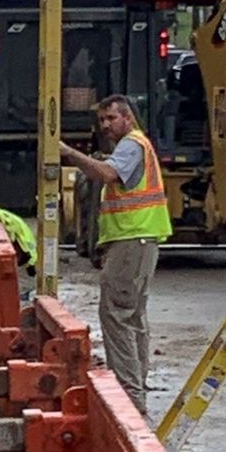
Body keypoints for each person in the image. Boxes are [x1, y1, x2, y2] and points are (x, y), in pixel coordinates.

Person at [57, 93, 171, 418]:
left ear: (128, 118)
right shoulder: (136, 145)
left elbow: (107, 174)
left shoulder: (132, 146)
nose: (106, 125)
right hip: (138, 239)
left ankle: (129, 400)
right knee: (132, 317)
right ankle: (135, 395)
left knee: (117, 316)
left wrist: (68, 153)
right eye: (102, 120)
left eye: (112, 118)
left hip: (132, 239)